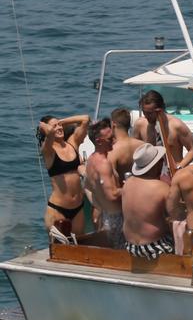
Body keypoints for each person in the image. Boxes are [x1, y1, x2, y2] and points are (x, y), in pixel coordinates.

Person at [37, 112, 90, 239]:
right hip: (58, 209)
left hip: (78, 208)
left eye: (60, 125)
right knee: (58, 250)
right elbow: (49, 134)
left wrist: (62, 122)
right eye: (55, 126)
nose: (59, 128)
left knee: (79, 247)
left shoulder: (72, 143)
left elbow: (85, 119)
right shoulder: (48, 151)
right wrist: (46, 127)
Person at [122, 143, 174, 259]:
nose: (162, 163)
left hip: (131, 247)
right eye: (161, 161)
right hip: (155, 247)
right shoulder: (161, 188)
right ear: (156, 164)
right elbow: (175, 216)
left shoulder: (128, 183)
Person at [83, 118, 125, 248]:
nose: (114, 141)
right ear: (98, 141)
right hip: (115, 218)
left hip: (106, 216)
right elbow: (112, 195)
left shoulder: (90, 160)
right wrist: (131, 186)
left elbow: (88, 187)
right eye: (110, 139)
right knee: (119, 256)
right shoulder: (104, 164)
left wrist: (99, 206)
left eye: (113, 137)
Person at [132, 90, 193, 178]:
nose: (146, 116)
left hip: (173, 174)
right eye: (144, 112)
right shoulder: (140, 125)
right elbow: (135, 151)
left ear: (160, 110)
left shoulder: (176, 126)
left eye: (149, 113)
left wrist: (180, 166)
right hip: (149, 177)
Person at [110, 106, 144, 182]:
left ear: (113, 125)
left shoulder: (112, 151)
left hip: (123, 191)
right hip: (142, 189)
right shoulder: (143, 145)